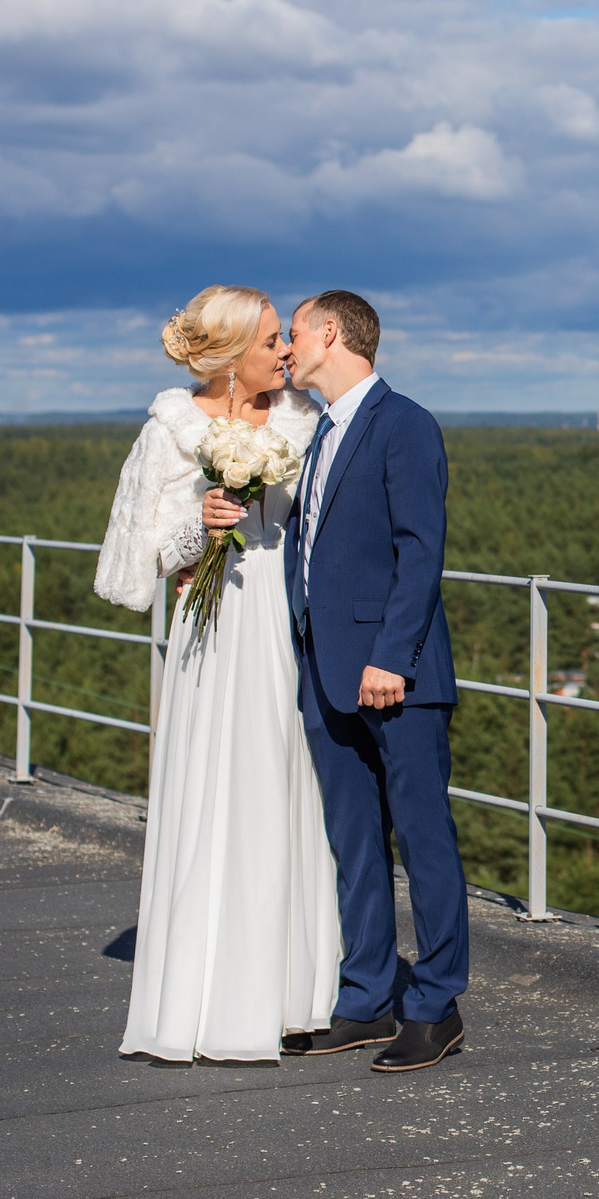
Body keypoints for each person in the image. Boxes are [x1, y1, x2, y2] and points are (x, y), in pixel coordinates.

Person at [94, 285, 339, 1064]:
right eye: (272, 340)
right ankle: (211, 1001)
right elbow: (142, 552)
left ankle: (294, 994)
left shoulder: (301, 419)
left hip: (285, 627)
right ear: (234, 356)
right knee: (219, 788)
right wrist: (197, 525)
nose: (285, 351)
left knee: (286, 783)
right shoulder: (174, 428)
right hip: (217, 625)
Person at [245, 288, 469, 1072]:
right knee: (354, 843)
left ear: (331, 332)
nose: (286, 348)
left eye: (295, 333)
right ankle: (366, 997)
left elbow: (420, 551)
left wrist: (390, 655)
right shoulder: (319, 434)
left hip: (395, 676)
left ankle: (435, 1005)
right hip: (327, 673)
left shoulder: (403, 423)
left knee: (423, 839)